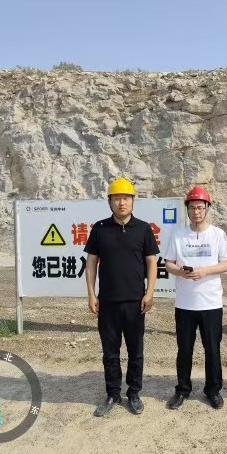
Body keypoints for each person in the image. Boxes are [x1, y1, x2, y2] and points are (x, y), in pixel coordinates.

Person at [84, 177, 159, 417]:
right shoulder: (100, 228)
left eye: (126, 198)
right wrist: (91, 294)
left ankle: (134, 393)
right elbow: (91, 263)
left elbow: (152, 262)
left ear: (133, 201)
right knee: (110, 353)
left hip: (136, 303)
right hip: (107, 303)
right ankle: (112, 394)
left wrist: (149, 293)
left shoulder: (143, 229)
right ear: (110, 202)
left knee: (136, 351)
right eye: (117, 198)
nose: (122, 203)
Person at [163, 186, 227, 410]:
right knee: (184, 349)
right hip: (185, 304)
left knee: (212, 349)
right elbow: (168, 263)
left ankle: (213, 390)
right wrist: (180, 271)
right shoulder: (178, 235)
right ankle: (182, 389)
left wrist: (205, 271)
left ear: (207, 209)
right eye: (192, 207)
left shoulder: (217, 234)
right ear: (187, 209)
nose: (196, 212)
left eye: (200, 207)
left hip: (211, 303)